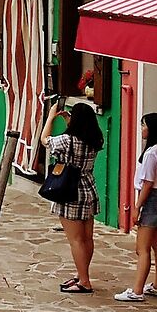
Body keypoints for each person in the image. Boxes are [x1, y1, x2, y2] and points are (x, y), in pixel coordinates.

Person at [116, 111, 157, 302]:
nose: (142, 129)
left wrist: (137, 207)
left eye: (144, 125)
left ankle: (137, 291)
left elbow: (147, 183)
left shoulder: (152, 153)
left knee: (142, 248)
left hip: (151, 201)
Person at [44, 96, 104, 293]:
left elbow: (45, 140)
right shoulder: (94, 139)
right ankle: (81, 273)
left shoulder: (66, 140)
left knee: (75, 240)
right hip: (88, 188)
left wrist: (51, 118)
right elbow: (79, 136)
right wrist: (70, 122)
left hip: (70, 190)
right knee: (87, 238)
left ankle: (84, 281)